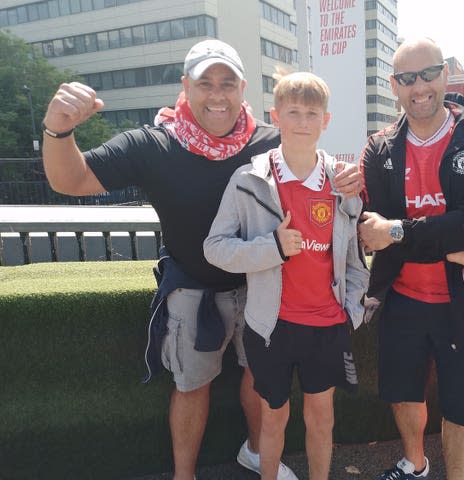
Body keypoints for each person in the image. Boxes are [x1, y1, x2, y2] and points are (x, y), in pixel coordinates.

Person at [40, 39, 360, 480]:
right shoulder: (152, 144)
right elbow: (69, 179)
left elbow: (319, 169)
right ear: (185, 86)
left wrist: (346, 178)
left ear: (243, 89)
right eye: (205, 83)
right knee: (192, 385)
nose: (217, 94)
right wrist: (59, 129)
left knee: (259, 379)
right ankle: (184, 474)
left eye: (227, 83)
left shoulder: (268, 141)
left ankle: (255, 452)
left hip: (261, 285)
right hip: (192, 285)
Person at [358, 37, 464, 480]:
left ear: (446, 75)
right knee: (403, 394)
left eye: (428, 74)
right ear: (394, 85)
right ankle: (415, 464)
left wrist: (399, 231)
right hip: (402, 299)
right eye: (407, 78)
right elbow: (370, 231)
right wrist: (454, 247)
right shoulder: (379, 148)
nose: (419, 86)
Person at [203, 71, 369, 480]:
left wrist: (352, 310)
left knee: (321, 419)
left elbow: (354, 260)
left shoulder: (343, 183)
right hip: (270, 327)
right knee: (272, 420)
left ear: (326, 121)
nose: (302, 121)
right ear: (275, 117)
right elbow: (215, 248)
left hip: (328, 326)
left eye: (312, 113)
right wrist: (272, 248)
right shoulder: (248, 180)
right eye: (293, 112)